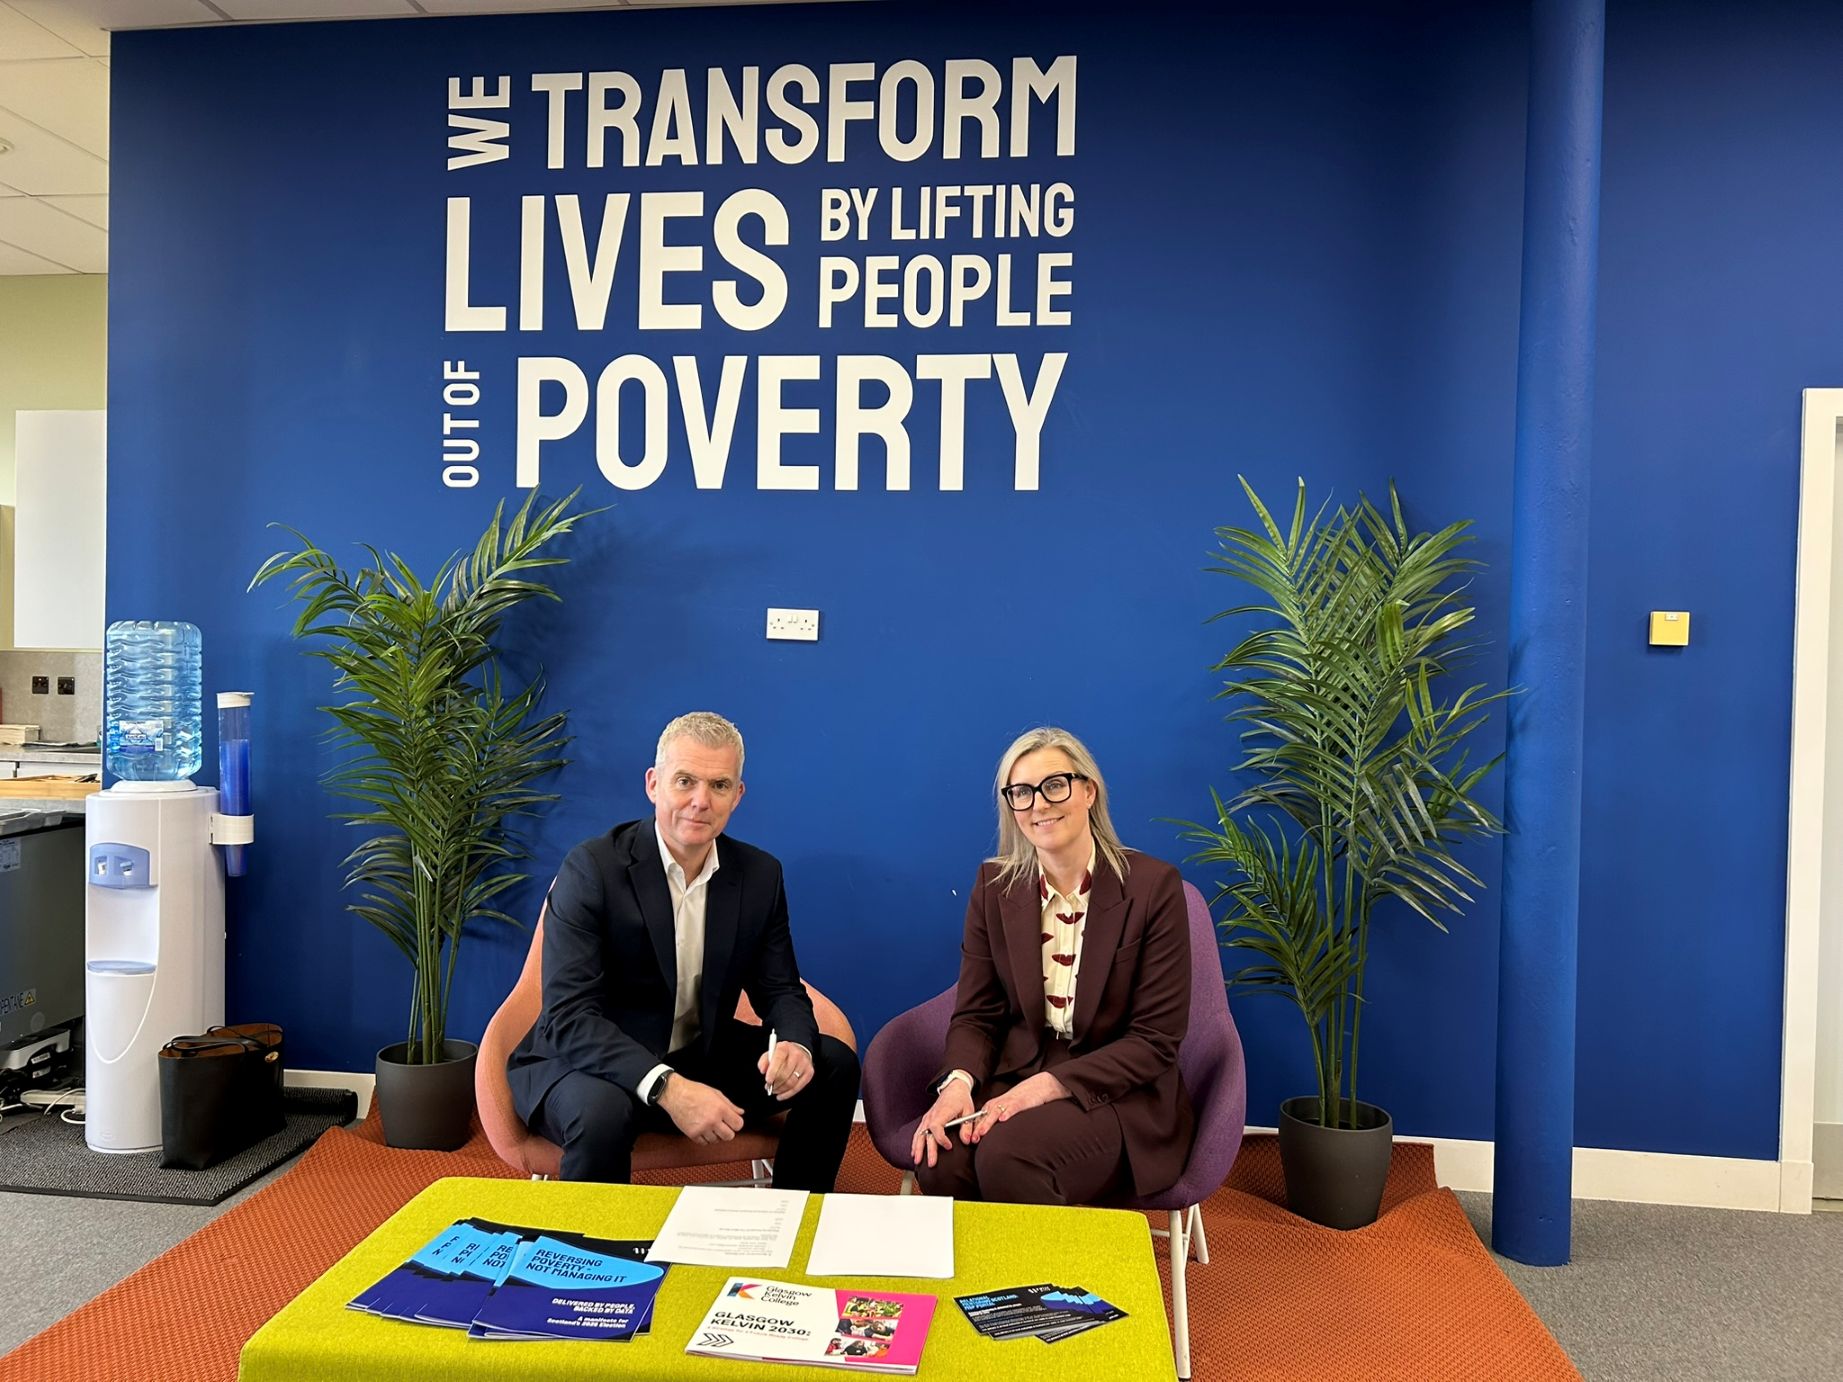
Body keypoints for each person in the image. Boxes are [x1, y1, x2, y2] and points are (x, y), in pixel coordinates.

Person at [506, 711, 860, 1190]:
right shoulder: (592, 868)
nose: (700, 801)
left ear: (738, 795)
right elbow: (569, 1017)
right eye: (685, 781)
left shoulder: (759, 876)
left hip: (697, 1052)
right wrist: (668, 1087)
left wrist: (794, 1044)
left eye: (719, 785)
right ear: (654, 785)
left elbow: (780, 988)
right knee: (601, 1114)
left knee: (833, 1064)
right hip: (587, 1062)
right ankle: (592, 1240)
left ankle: (793, 1216)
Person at [910, 727, 1193, 1204]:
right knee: (942, 1161)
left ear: (1089, 791)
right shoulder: (994, 887)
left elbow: (1154, 1040)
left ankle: (1055, 1258)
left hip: (1119, 1092)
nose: (1039, 804)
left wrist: (1047, 1087)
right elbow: (977, 1014)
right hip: (1016, 1072)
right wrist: (958, 1084)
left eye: (1055, 785)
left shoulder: (1153, 887)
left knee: (1008, 1157)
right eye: (1021, 792)